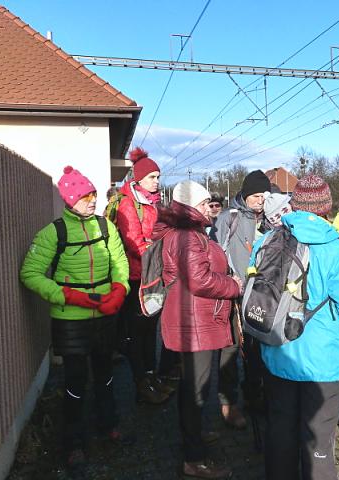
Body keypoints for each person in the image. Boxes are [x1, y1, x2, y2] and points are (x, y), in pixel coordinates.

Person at [252, 174, 339, 480]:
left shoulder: (268, 239)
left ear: (294, 204)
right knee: (318, 439)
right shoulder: (337, 251)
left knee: (280, 430)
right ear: (326, 207)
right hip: (325, 362)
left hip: (278, 352)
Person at [20, 166, 130, 468]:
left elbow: (119, 262)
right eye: (85, 196)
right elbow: (30, 274)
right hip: (71, 320)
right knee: (74, 382)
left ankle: (108, 425)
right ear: (70, 200)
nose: (92, 201)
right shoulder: (53, 233)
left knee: (106, 375)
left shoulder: (106, 227)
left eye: (94, 195)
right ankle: (73, 442)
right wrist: (68, 295)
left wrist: (120, 289)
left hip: (106, 315)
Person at [153, 180, 242, 479]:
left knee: (193, 387)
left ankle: (194, 437)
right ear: (192, 205)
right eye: (204, 203)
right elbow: (200, 280)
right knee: (195, 390)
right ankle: (194, 459)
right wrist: (234, 286)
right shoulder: (188, 237)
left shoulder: (187, 233)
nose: (209, 208)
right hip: (195, 324)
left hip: (195, 320)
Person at [210, 169, 272, 428]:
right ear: (245, 195)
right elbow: (213, 254)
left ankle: (255, 395)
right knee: (231, 350)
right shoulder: (228, 219)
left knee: (259, 351)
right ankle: (229, 403)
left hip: (263, 297)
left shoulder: (271, 219)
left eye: (264, 196)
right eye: (256, 196)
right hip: (234, 296)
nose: (260, 200)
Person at [115, 147, 173, 404]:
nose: (156, 181)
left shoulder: (154, 203)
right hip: (136, 278)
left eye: (158, 177)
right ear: (138, 179)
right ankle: (141, 381)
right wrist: (160, 256)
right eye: (152, 177)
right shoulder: (128, 204)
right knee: (138, 332)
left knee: (151, 329)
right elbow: (134, 242)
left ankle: (151, 375)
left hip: (152, 276)